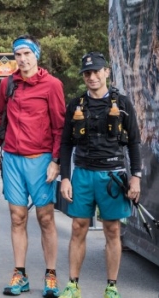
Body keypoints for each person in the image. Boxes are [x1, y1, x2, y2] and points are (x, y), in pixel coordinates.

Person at [59, 52, 142, 298]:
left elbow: (134, 143)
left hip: (112, 176)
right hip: (83, 174)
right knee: (78, 227)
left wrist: (135, 176)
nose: (92, 77)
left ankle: (112, 286)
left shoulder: (123, 103)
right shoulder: (75, 104)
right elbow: (65, 144)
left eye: (96, 71)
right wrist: (65, 177)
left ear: (106, 72)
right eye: (87, 73)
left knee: (112, 230)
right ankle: (73, 285)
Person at [0, 34, 65, 298]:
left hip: (41, 160)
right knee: (17, 217)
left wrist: (56, 161)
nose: (22, 59)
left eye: (27, 54)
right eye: (17, 55)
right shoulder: (7, 83)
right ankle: (19, 274)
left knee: (45, 218)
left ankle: (51, 275)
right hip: (11, 158)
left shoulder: (52, 85)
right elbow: (1, 118)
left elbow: (59, 126)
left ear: (36, 55)